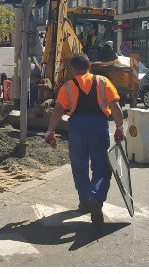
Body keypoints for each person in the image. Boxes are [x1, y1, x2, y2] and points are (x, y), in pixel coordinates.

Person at [45, 53, 126, 226]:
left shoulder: (67, 87)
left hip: (77, 128)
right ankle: (95, 199)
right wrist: (119, 128)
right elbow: (115, 106)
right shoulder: (103, 81)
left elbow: (58, 110)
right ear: (90, 65)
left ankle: (84, 201)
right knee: (102, 168)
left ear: (73, 69)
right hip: (99, 127)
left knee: (79, 167)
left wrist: (50, 132)